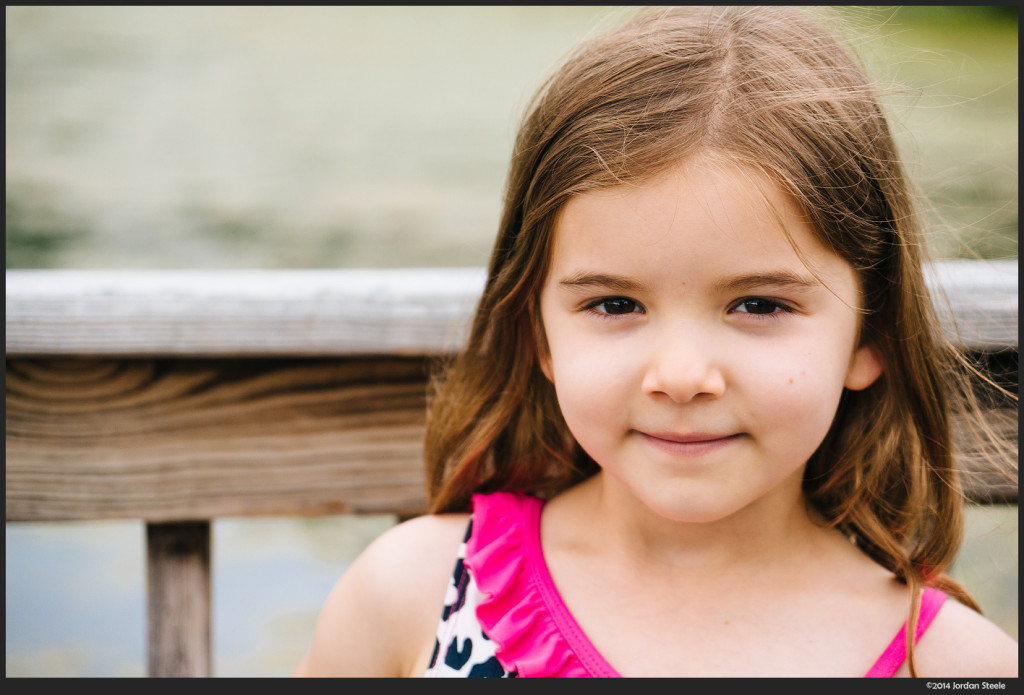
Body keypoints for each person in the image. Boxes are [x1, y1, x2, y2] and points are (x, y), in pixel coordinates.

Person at [293, 6, 1018, 678]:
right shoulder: (409, 594)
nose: (680, 376)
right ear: (537, 331)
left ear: (872, 334)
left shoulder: (952, 663)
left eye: (758, 304)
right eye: (614, 303)